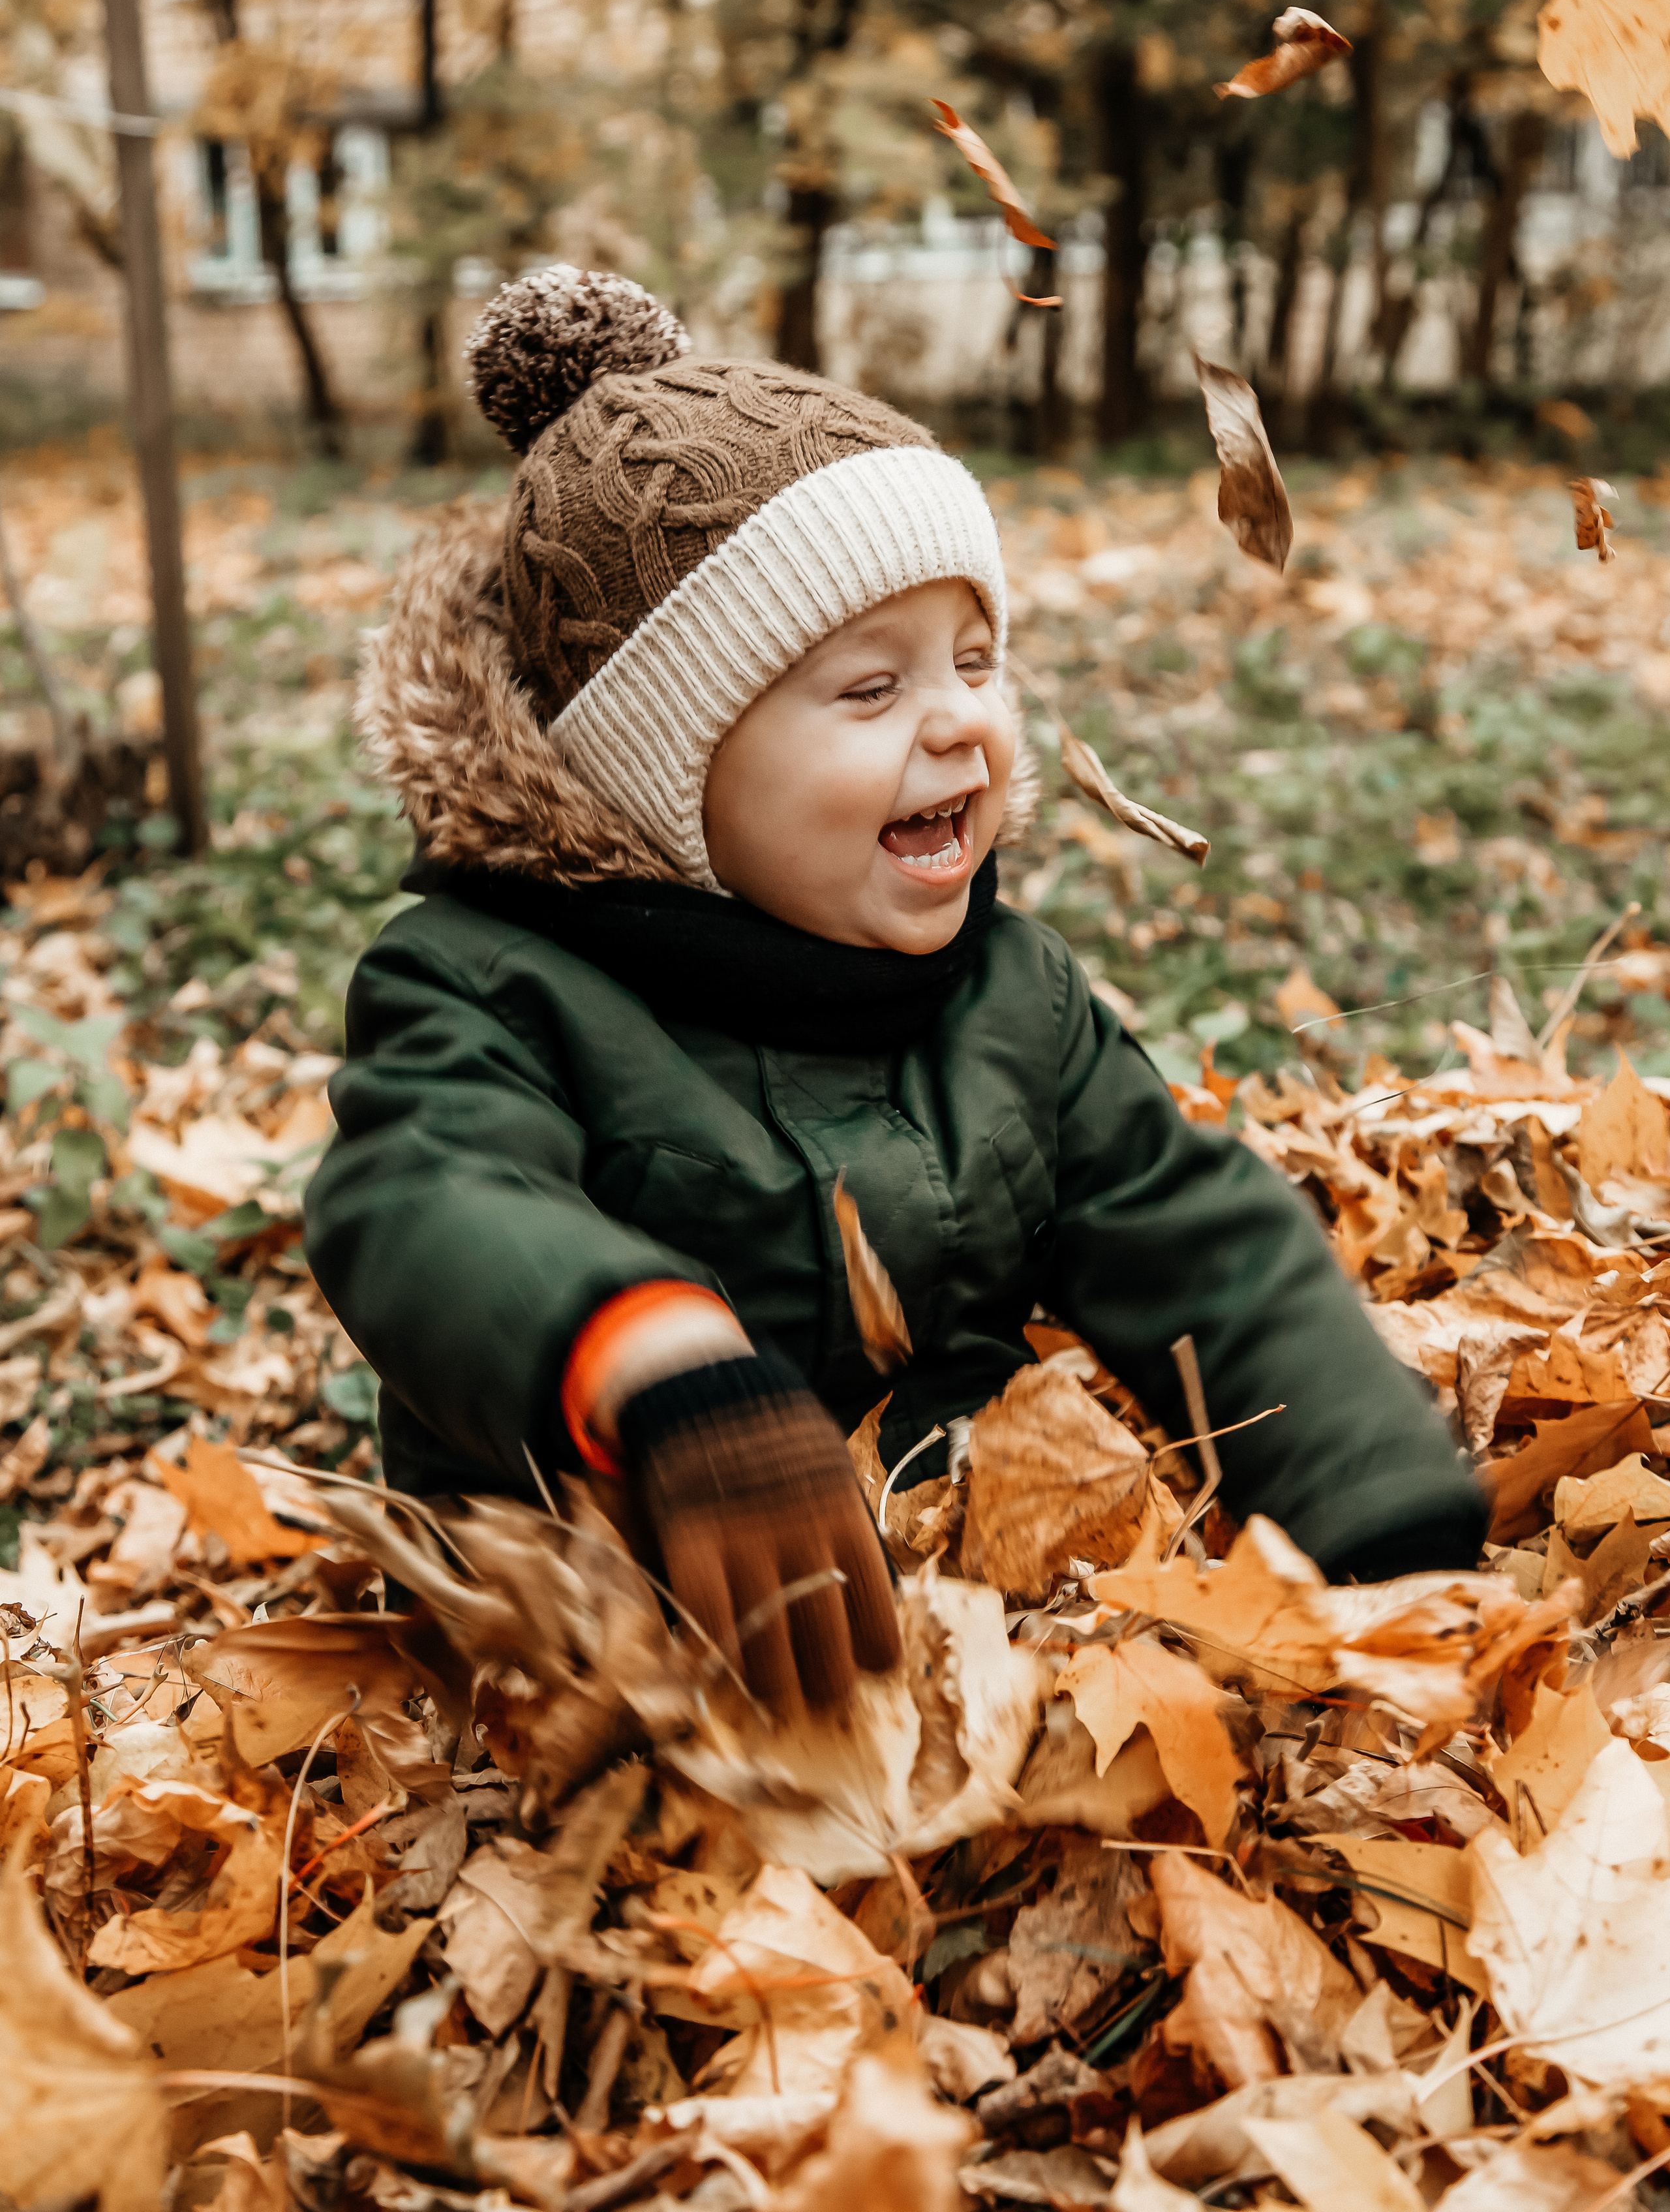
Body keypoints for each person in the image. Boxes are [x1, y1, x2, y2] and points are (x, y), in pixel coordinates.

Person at [306, 266, 1485, 1712]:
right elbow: (423, 1207)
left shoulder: (1006, 993)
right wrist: (649, 1358)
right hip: (594, 1646)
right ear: (659, 776)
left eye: (975, 661)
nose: (960, 723)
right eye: (869, 690)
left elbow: (1196, 1240)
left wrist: (1375, 1505)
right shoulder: (489, 986)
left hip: (937, 1613)